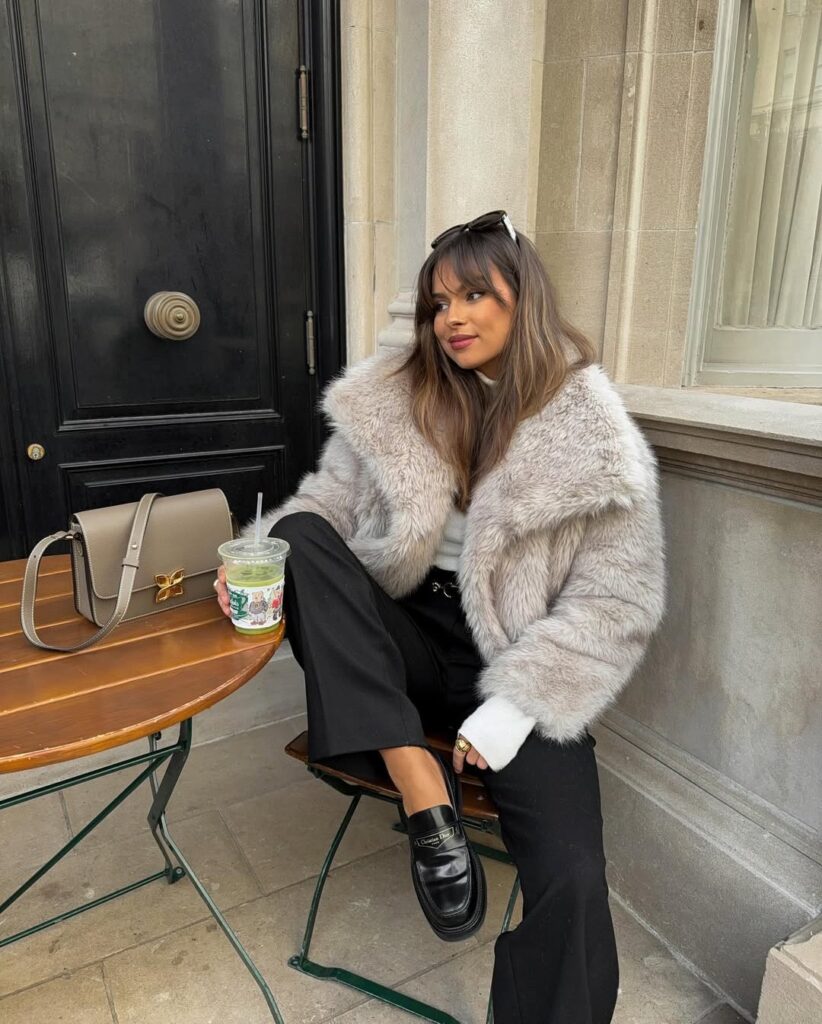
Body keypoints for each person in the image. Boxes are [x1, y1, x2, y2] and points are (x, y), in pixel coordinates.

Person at [215, 210, 665, 1023]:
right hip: (403, 641)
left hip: (522, 673)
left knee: (570, 874)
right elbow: (322, 510)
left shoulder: (594, 439)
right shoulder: (395, 403)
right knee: (301, 535)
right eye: (436, 303)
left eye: (473, 295)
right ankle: (419, 782)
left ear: (522, 300)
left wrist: (510, 711)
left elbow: (615, 604)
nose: (451, 318)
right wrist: (256, 561)